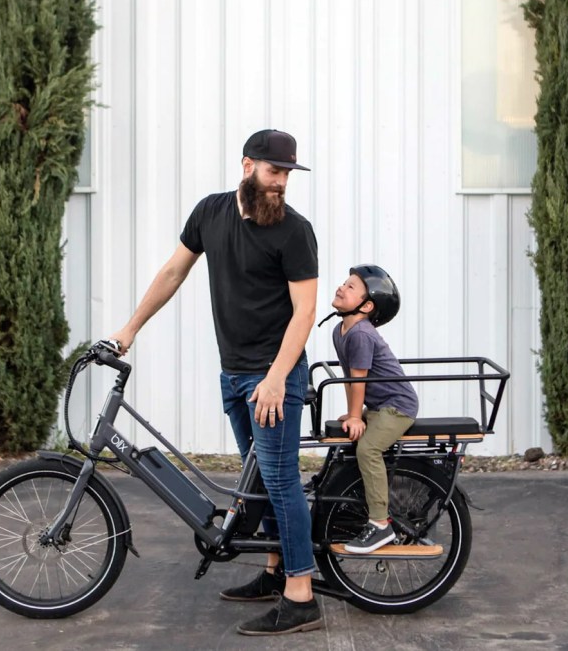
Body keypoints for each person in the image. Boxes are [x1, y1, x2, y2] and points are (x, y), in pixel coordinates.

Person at [109, 129, 322, 636]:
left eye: (288, 175)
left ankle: (301, 594)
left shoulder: (295, 231)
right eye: (274, 172)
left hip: (275, 375)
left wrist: (274, 379)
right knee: (258, 481)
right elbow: (172, 273)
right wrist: (129, 329)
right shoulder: (211, 213)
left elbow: (305, 311)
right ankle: (273, 571)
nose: (281, 184)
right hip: (235, 374)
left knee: (279, 477)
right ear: (247, 166)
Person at [321, 264, 419, 554]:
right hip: (378, 406)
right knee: (345, 437)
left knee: (368, 449)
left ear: (366, 305)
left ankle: (380, 524)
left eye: (351, 287)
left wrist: (355, 415)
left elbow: (359, 379)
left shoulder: (361, 333)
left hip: (397, 407)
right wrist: (352, 414)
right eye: (344, 282)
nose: (341, 287)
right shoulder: (341, 330)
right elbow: (350, 378)